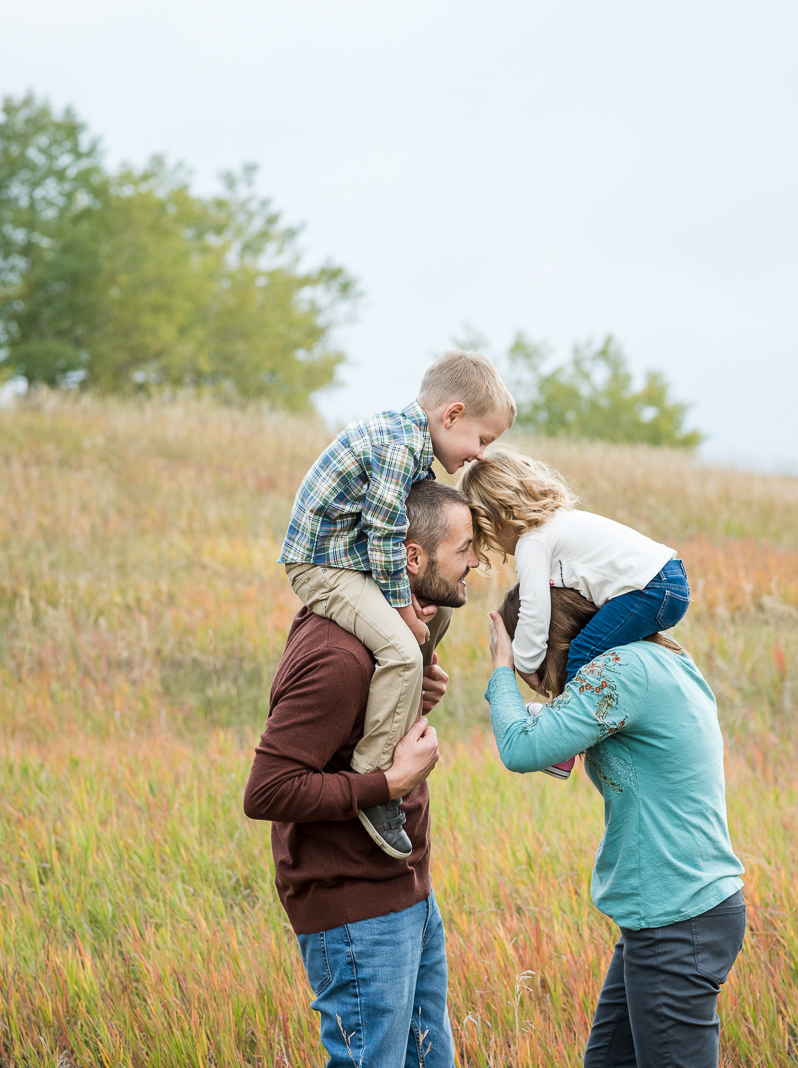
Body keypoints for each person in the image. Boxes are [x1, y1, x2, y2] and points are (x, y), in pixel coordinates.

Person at [246, 479, 481, 1068]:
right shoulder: (339, 654)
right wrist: (388, 786)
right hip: (357, 911)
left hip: (406, 891)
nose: (476, 561)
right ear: (412, 558)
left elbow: (353, 741)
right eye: (465, 548)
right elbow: (269, 790)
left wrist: (416, 702)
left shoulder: (392, 640)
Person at [484, 585, 746, 1068]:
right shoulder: (656, 657)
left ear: (544, 645)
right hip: (671, 914)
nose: (538, 686)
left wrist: (501, 667)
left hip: (676, 919)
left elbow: (520, 750)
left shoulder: (618, 673)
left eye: (529, 669)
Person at [278, 350, 515, 856]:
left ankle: (406, 696)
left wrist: (417, 610)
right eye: (482, 440)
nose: (480, 455)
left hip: (350, 557)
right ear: (452, 415)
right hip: (322, 565)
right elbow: (386, 536)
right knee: (403, 650)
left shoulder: (413, 447)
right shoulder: (397, 446)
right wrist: (405, 614)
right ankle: (376, 773)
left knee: (441, 609)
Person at [458, 444, 690, 778]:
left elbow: (534, 610)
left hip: (653, 588)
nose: (495, 546)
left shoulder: (532, 542)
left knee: (583, 653)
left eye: (487, 536)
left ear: (497, 519)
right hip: (667, 580)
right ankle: (569, 724)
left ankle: (562, 741)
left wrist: (525, 665)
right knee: (596, 652)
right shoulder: (558, 523)